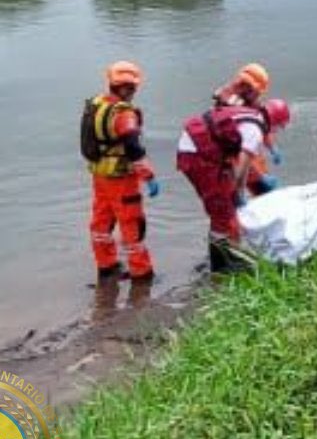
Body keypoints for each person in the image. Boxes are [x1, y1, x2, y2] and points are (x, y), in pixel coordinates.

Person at [81, 60, 159, 282]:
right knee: (132, 223)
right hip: (121, 178)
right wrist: (149, 176)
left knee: (101, 222)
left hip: (99, 174)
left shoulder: (97, 103)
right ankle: (141, 274)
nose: (133, 91)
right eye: (133, 87)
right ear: (131, 87)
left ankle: (106, 267)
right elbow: (134, 148)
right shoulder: (123, 113)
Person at [176, 101, 250, 274]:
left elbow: (232, 160)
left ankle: (225, 254)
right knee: (221, 212)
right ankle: (220, 266)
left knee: (223, 209)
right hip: (198, 155)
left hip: (196, 150)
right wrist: (238, 192)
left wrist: (234, 191)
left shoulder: (241, 114)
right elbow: (240, 167)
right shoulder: (254, 127)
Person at [245, 98, 292, 196]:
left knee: (264, 187)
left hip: (244, 157)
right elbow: (242, 161)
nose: (278, 130)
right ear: (273, 120)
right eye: (278, 126)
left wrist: (272, 148)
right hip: (226, 162)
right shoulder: (252, 129)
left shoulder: (261, 116)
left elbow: (266, 132)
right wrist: (260, 177)